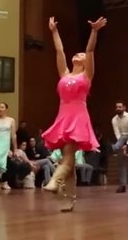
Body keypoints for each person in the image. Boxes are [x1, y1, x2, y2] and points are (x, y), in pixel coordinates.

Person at [41, 16, 107, 212]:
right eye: (76, 53)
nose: (78, 54)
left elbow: (90, 50)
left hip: (78, 116)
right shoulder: (65, 74)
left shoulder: (86, 76)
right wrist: (54, 31)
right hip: (63, 116)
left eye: (81, 54)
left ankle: (55, 180)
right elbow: (59, 50)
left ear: (86, 62)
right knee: (66, 157)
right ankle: (70, 199)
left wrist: (94, 32)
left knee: (68, 154)